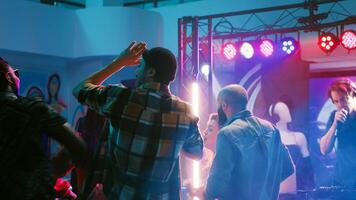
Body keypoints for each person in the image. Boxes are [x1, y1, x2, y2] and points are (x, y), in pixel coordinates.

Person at [72, 42, 203, 199]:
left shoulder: (121, 98)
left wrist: (119, 63)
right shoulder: (185, 112)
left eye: (140, 66)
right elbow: (197, 153)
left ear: (150, 72)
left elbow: (79, 89)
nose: (136, 72)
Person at [0, 57, 87, 199]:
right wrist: (52, 172)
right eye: (15, 73)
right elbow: (77, 147)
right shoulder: (32, 108)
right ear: (8, 77)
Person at [204, 84, 294, 200]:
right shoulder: (271, 129)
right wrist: (264, 187)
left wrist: (205, 194)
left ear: (224, 105)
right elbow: (288, 168)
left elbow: (216, 183)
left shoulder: (226, 134)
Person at [269, 101, 314, 198]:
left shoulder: (298, 137)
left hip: (298, 187)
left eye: (286, 109)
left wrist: (310, 191)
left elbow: (308, 167)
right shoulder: (269, 139)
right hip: (278, 190)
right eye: (282, 111)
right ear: (275, 116)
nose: (286, 113)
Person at [320, 79, 356, 188]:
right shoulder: (334, 117)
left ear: (353, 96)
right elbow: (324, 150)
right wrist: (335, 124)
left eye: (343, 100)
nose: (340, 105)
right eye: (336, 101)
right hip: (343, 181)